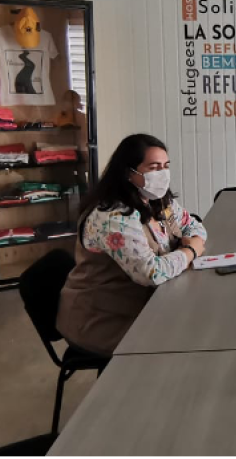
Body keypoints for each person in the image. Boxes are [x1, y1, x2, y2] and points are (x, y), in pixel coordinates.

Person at [57, 134, 207, 357]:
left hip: (141, 304)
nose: (162, 174)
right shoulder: (112, 216)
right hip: (102, 321)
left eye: (165, 166)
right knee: (187, 339)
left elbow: (194, 226)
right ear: (128, 172)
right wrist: (190, 250)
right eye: (154, 167)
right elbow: (151, 272)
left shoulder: (155, 199)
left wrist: (190, 242)